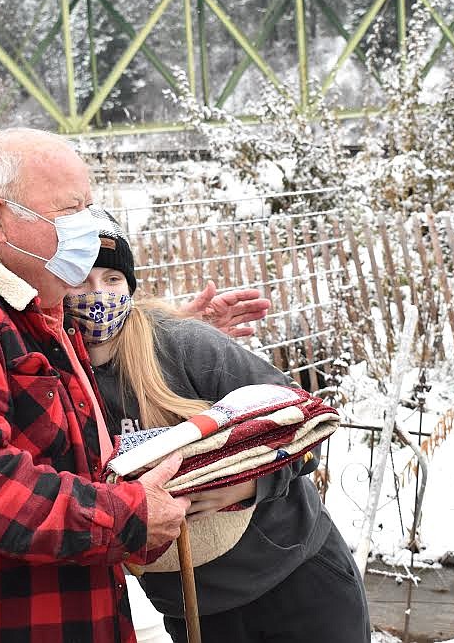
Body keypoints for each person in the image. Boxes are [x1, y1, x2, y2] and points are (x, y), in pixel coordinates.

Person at [0, 127, 267, 642]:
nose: (89, 226)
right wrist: (126, 517)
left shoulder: (16, 300)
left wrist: (169, 328)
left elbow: (62, 440)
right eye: (71, 211)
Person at [65, 207, 372, 643]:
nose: (98, 295)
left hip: (295, 579)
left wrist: (248, 486)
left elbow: (303, 425)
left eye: (112, 280)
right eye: (81, 279)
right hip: (194, 607)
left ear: (129, 286)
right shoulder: (55, 378)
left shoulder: (183, 344)